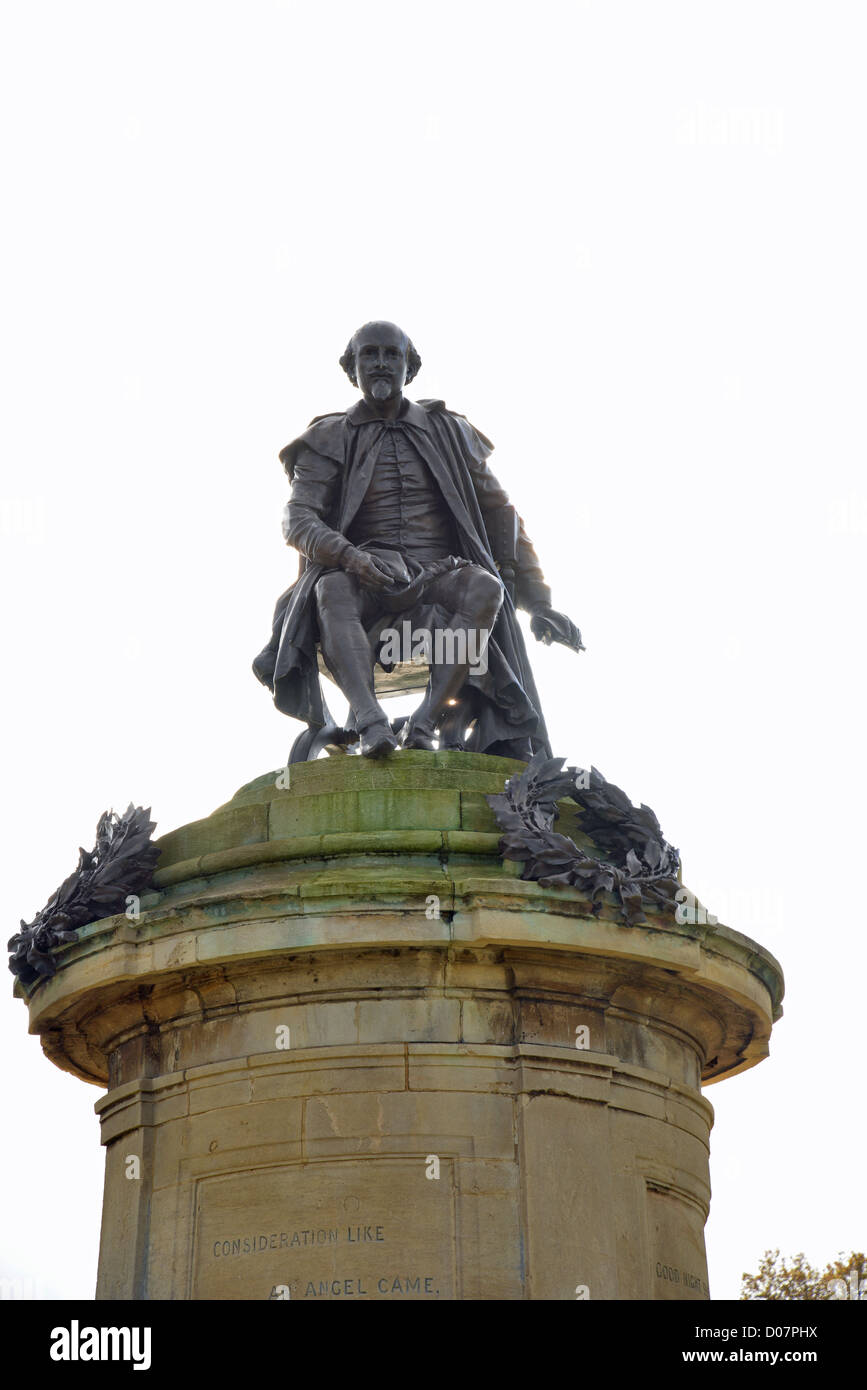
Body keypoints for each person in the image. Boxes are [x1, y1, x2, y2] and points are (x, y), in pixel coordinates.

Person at [253, 321, 582, 759]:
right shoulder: (327, 437)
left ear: (411, 367)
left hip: (441, 571)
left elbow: (502, 515)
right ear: (352, 369)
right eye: (369, 354)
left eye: (393, 354)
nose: (382, 363)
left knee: (486, 586)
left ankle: (425, 722)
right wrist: (350, 557)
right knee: (331, 588)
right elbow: (298, 518)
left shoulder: (450, 430)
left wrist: (538, 602)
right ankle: (371, 723)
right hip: (364, 573)